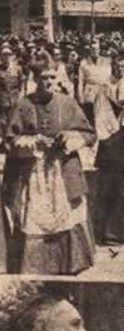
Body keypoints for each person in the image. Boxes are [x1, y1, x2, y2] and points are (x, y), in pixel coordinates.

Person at [3, 53, 95, 274]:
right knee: (34, 217)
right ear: (35, 78)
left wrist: (70, 138)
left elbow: (89, 134)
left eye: (53, 77)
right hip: (34, 174)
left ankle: (68, 265)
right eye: (44, 78)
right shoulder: (24, 105)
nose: (49, 82)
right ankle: (34, 267)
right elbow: (9, 140)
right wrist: (33, 142)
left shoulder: (67, 103)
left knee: (66, 214)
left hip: (62, 171)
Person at [94, 50, 124, 244]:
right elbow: (99, 113)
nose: (120, 68)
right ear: (112, 65)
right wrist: (108, 134)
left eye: (123, 65)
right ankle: (104, 230)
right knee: (106, 184)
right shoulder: (105, 86)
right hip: (109, 138)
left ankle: (119, 231)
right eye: (117, 65)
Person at [77, 39, 111, 122]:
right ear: (90, 50)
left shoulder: (106, 61)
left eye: (96, 49)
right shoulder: (84, 63)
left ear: (99, 50)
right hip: (90, 92)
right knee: (90, 117)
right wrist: (80, 96)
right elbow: (81, 81)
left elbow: (108, 78)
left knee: (102, 118)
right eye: (92, 49)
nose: (94, 51)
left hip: (103, 92)